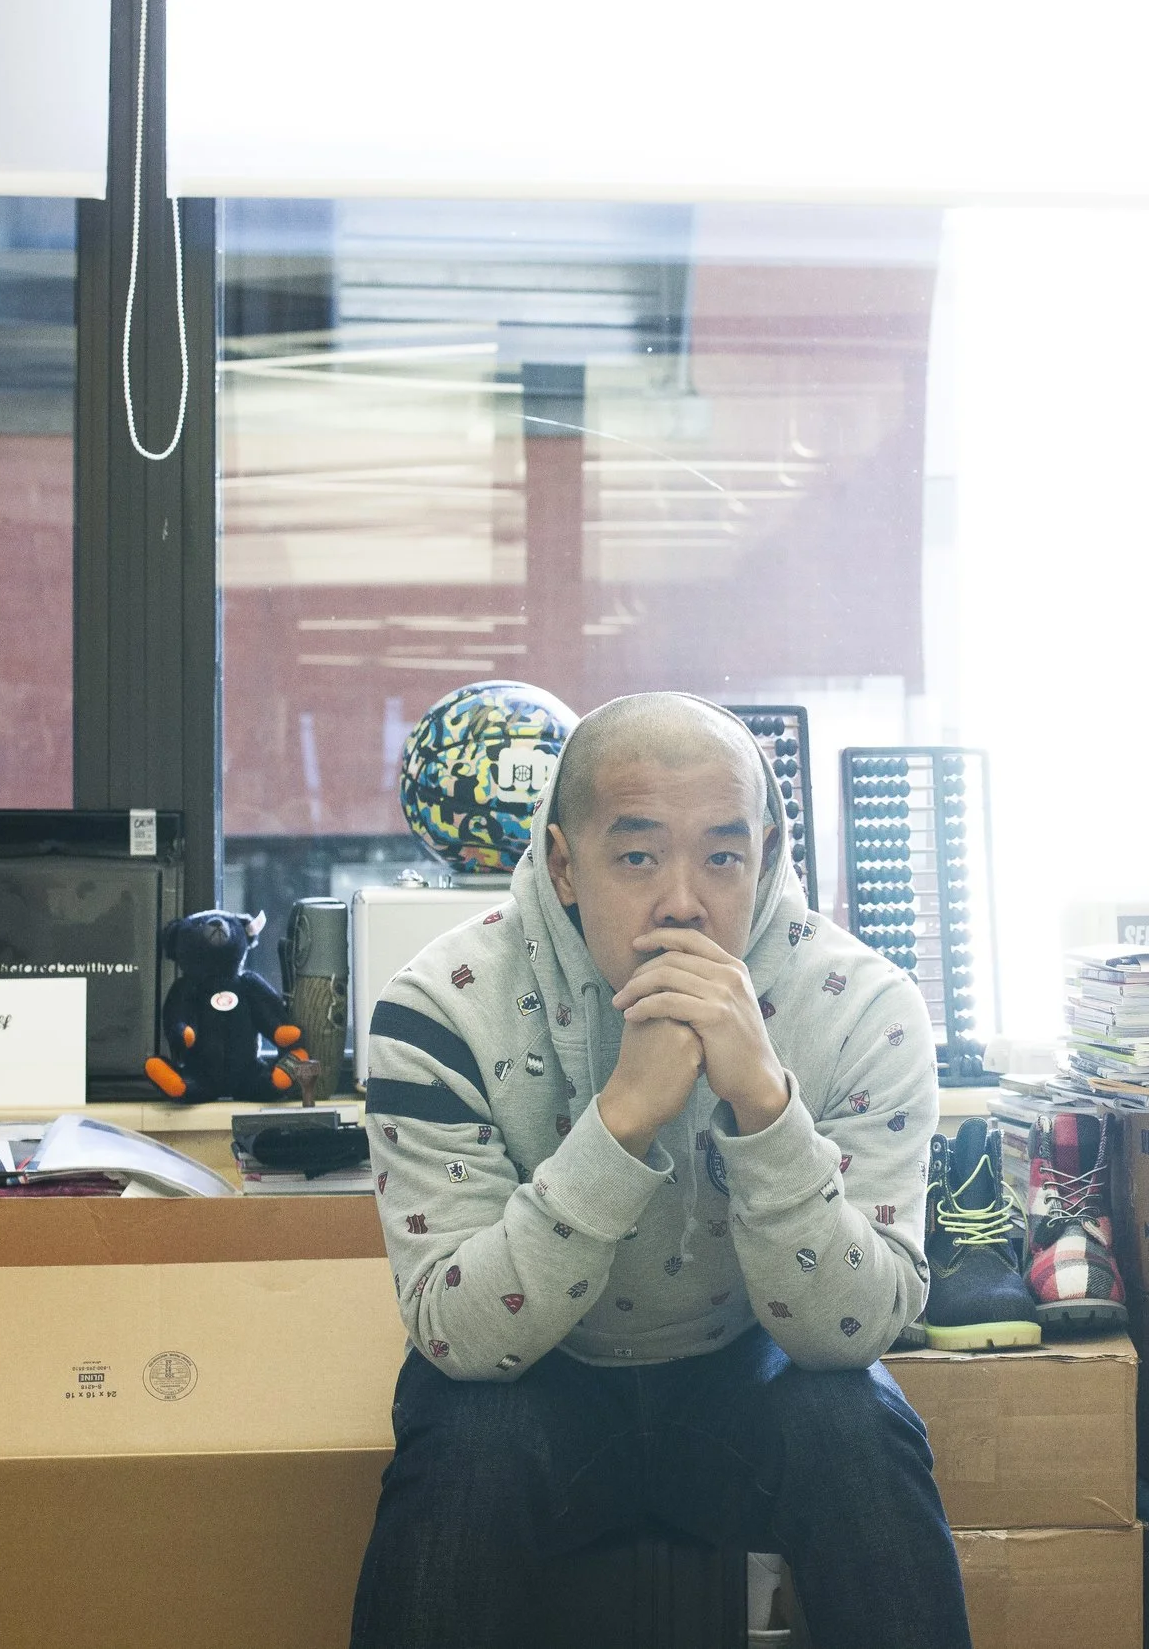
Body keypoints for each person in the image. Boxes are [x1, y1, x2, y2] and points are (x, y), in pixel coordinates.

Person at [348, 692, 970, 1649]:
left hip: (741, 1360)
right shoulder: (440, 1007)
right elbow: (453, 1330)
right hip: (536, 1381)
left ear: (765, 850)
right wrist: (622, 1120)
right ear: (564, 861)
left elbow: (863, 1322)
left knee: (856, 1429)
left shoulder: (864, 1007)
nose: (684, 899)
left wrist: (766, 1108)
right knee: (466, 1448)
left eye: (724, 854)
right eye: (637, 855)